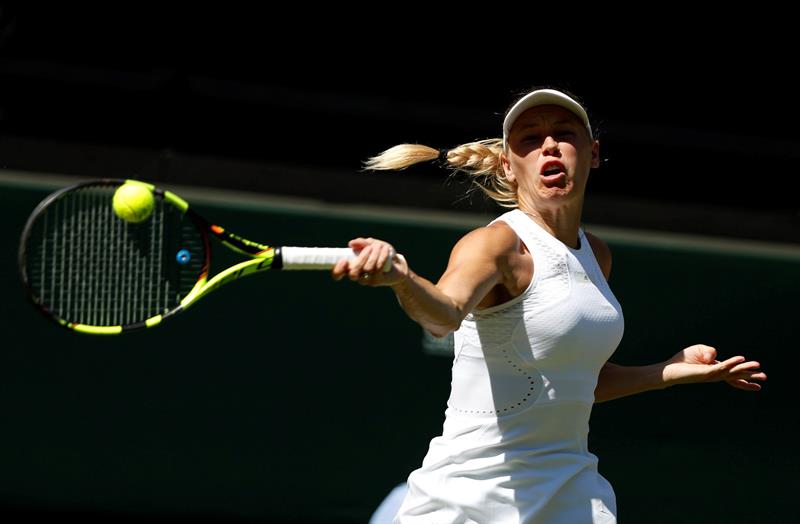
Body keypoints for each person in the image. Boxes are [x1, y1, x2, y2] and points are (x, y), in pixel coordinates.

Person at [331, 87, 767, 524]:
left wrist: (669, 370)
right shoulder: (496, 244)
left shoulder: (596, 254)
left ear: (592, 153)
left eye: (564, 133)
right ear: (508, 164)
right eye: (529, 139)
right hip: (469, 499)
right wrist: (402, 280)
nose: (549, 146)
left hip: (570, 492)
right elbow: (444, 314)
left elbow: (575, 383)